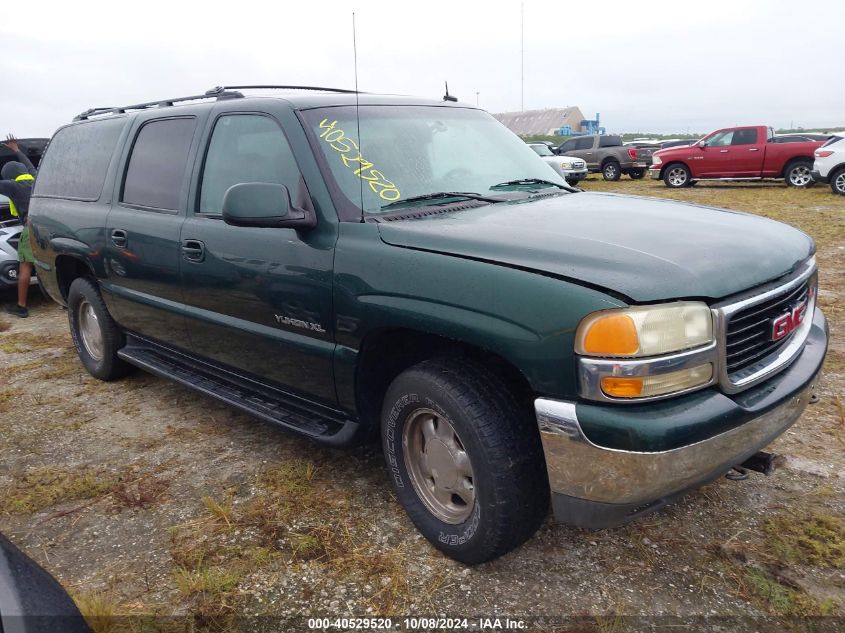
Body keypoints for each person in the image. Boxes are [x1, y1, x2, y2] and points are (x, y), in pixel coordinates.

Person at [1, 134, 38, 318]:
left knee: (25, 268)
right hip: (46, 229)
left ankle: (21, 306)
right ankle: (62, 302)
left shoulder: (12, 186)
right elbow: (30, 165)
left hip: (29, 230)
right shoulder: (36, 178)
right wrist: (17, 150)